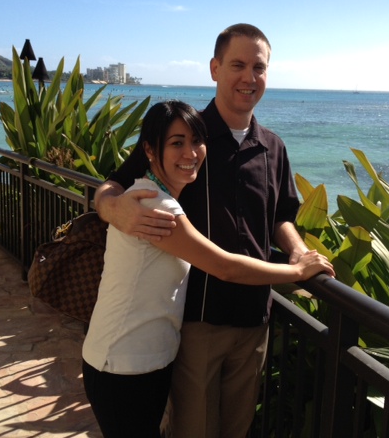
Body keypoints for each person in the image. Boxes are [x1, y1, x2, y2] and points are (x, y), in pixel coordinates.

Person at [94, 24, 321, 437]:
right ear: (215, 68)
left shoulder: (273, 146)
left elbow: (281, 216)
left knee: (236, 429)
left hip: (255, 317)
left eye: (259, 67)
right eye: (237, 64)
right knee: (192, 430)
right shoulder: (184, 136)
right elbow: (114, 182)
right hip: (198, 320)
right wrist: (111, 208)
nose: (248, 78)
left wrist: (299, 254)